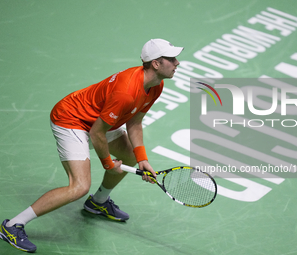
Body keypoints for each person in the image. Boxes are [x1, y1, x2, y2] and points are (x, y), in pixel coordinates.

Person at [0, 38, 183, 253]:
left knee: (131, 155)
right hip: (72, 119)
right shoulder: (126, 91)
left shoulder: (155, 85)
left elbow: (134, 121)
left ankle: (98, 202)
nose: (177, 63)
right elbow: (97, 133)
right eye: (171, 59)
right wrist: (107, 163)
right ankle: (11, 226)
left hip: (101, 119)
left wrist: (142, 159)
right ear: (155, 63)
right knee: (78, 187)